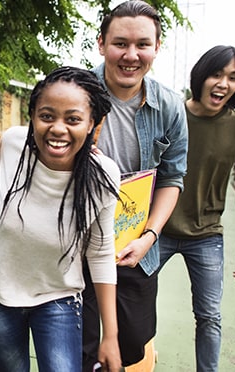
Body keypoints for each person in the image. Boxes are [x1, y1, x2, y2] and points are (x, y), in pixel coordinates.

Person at [0, 67, 122, 372]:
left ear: (93, 123)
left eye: (73, 119)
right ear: (32, 117)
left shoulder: (103, 175)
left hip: (58, 296)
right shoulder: (13, 144)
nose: (58, 128)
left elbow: (101, 251)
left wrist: (111, 335)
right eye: (46, 116)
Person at [81, 1, 189, 370]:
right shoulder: (73, 93)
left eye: (142, 44)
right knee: (80, 345)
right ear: (101, 44)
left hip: (134, 245)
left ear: (156, 48)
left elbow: (172, 178)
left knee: (131, 345)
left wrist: (150, 237)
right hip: (77, 243)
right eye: (120, 43)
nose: (131, 55)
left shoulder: (170, 107)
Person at [159, 45, 235, 372]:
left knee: (209, 316)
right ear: (201, 76)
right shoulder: (171, 113)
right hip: (155, 229)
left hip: (205, 235)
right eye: (216, 74)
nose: (223, 84)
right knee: (132, 303)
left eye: (233, 78)